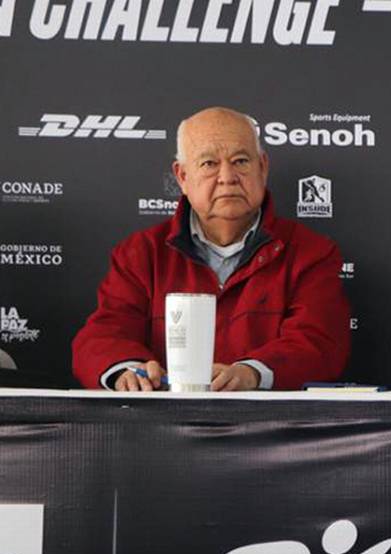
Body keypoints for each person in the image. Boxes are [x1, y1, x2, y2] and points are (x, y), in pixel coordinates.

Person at [72, 107, 351, 391]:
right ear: (182, 176)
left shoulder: (311, 252)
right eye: (208, 164)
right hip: (163, 430)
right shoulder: (140, 253)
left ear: (263, 167)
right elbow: (102, 337)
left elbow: (320, 343)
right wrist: (128, 370)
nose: (227, 177)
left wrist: (252, 373)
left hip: (268, 430)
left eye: (241, 161)